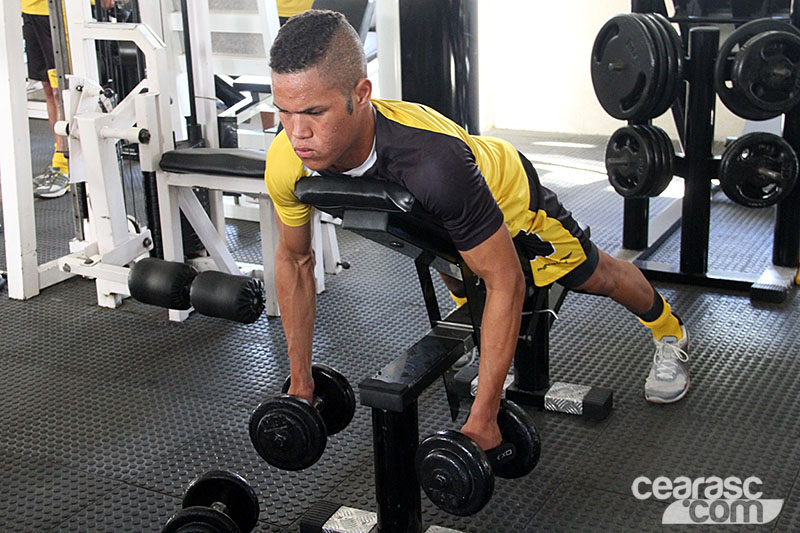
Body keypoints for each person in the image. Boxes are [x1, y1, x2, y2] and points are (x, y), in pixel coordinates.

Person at [264, 10, 690, 452]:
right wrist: (300, 383)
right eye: (284, 113)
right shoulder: (286, 162)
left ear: (362, 94)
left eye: (314, 112)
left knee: (593, 275)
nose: (297, 133)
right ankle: (489, 351)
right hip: (437, 212)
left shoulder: (432, 161)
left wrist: (483, 418)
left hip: (509, 200)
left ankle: (668, 330)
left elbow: (507, 280)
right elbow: (294, 260)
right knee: (447, 256)